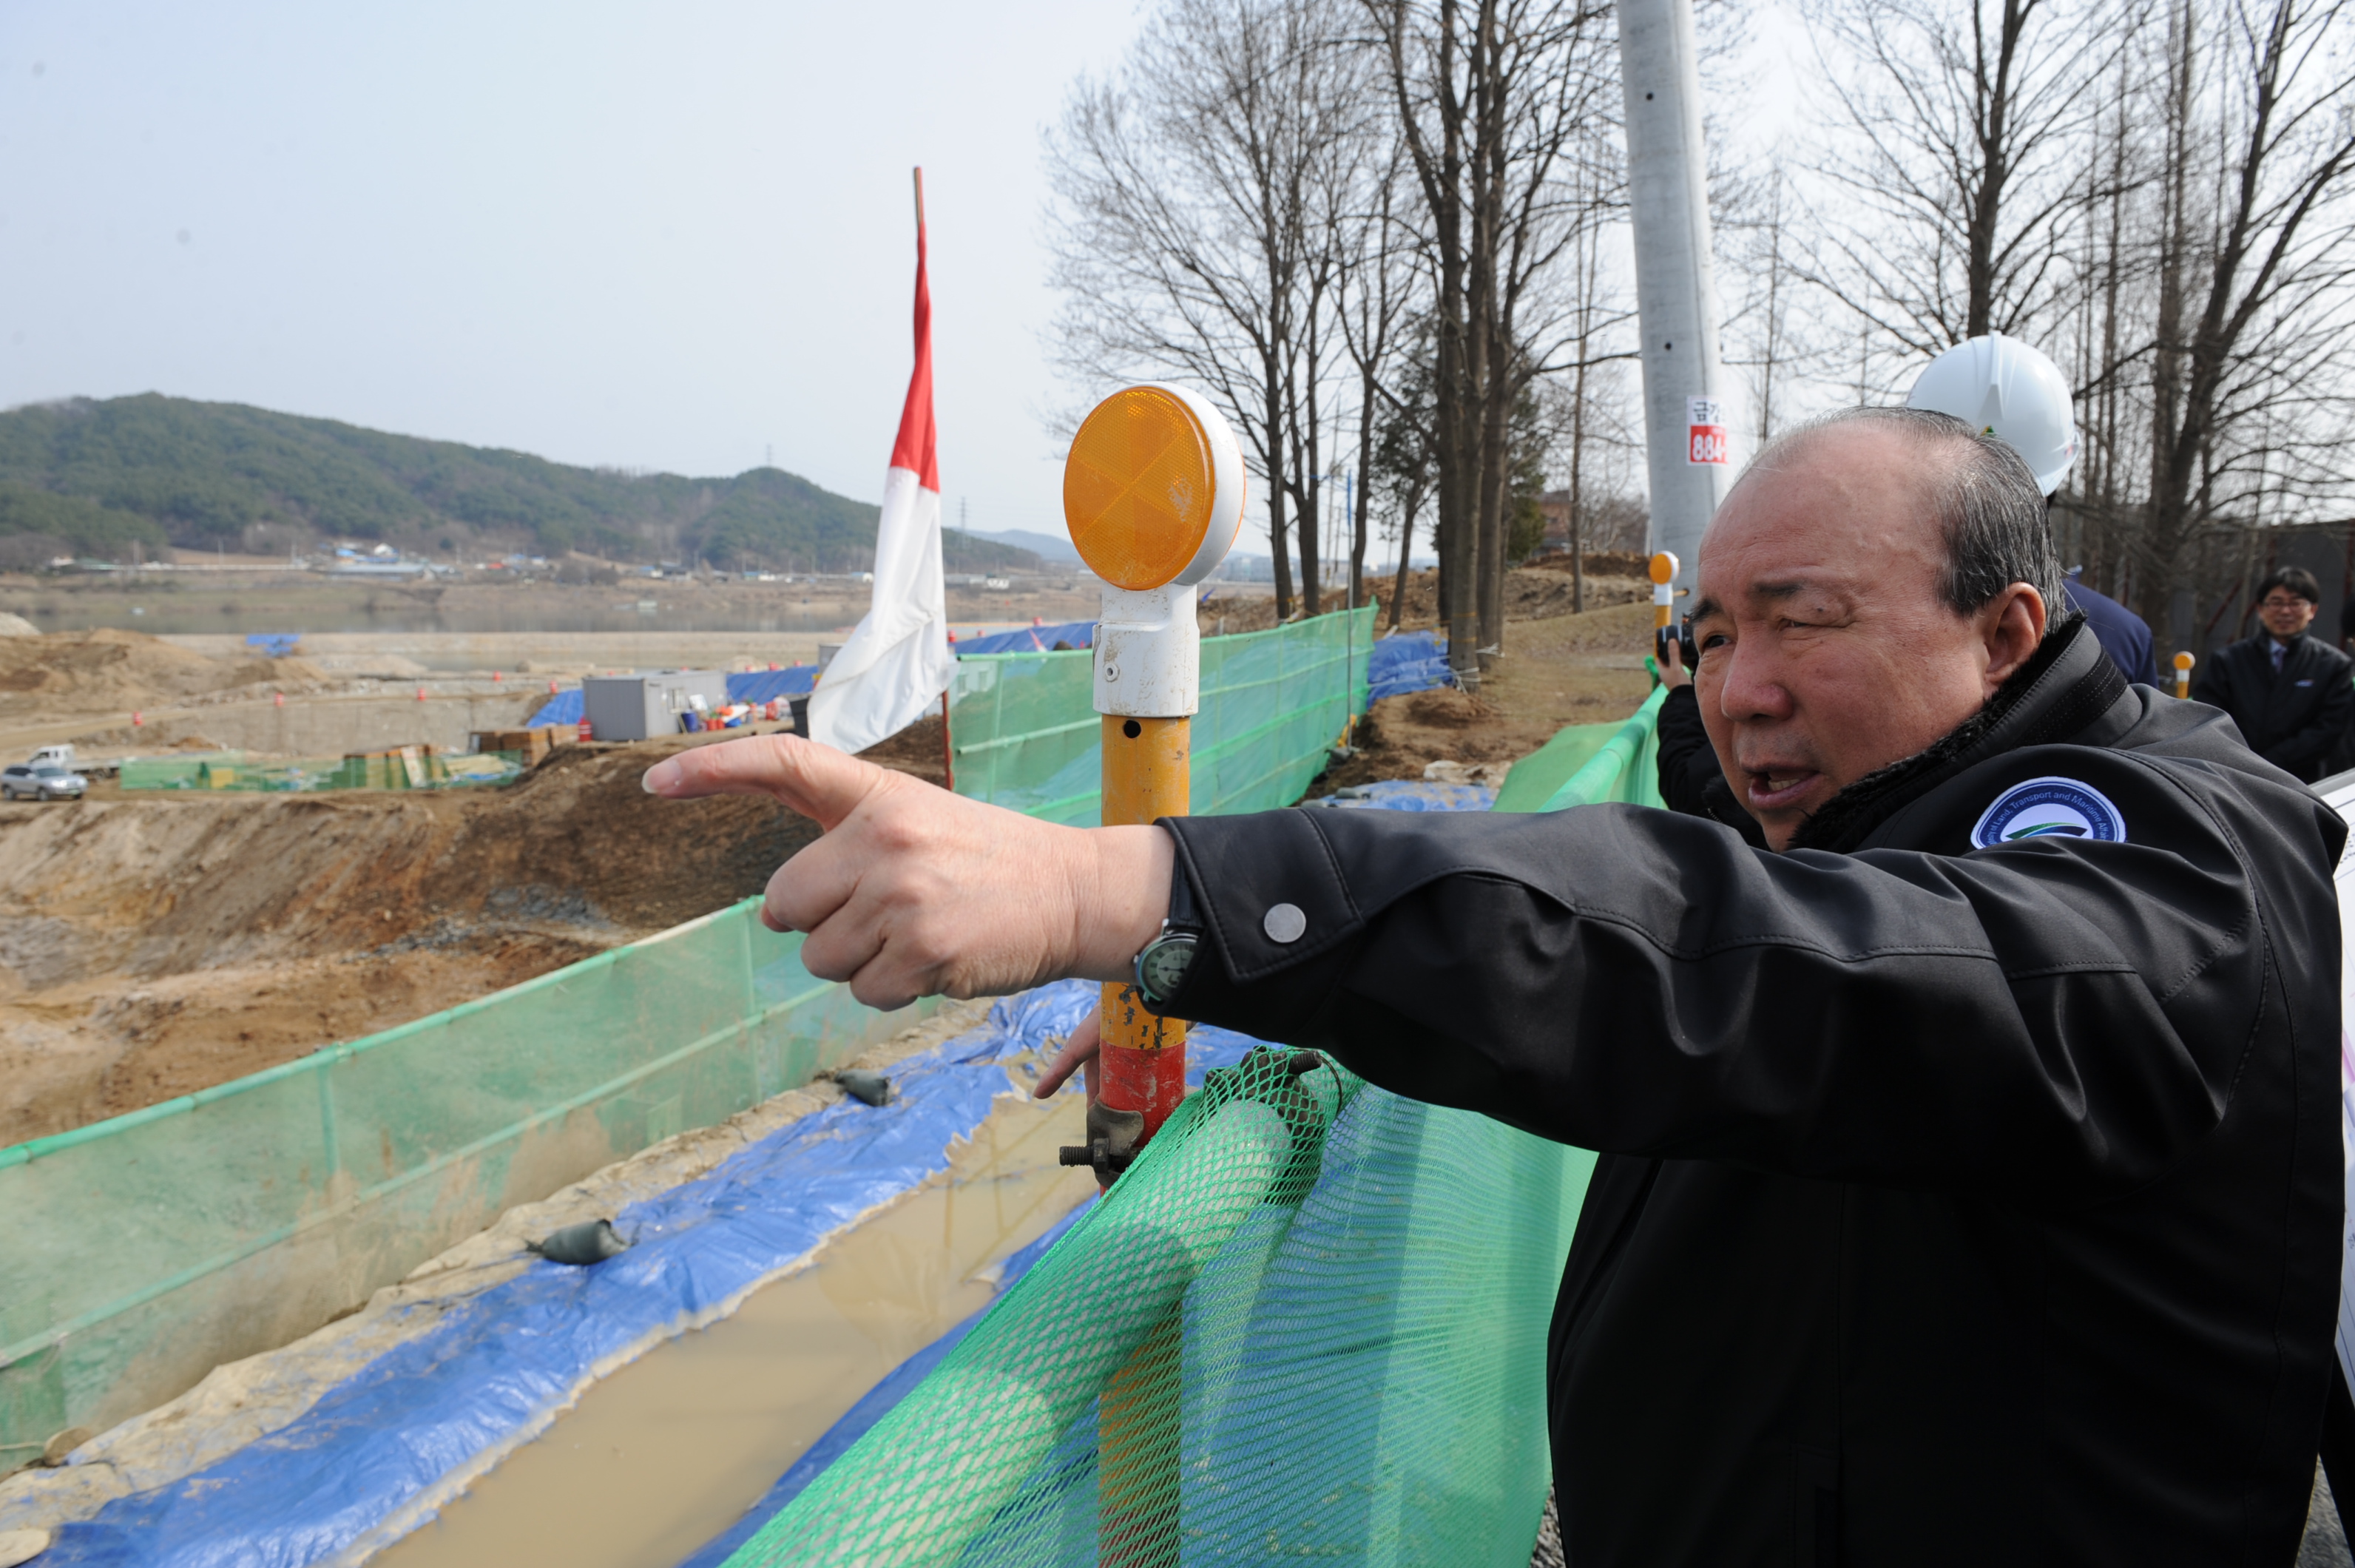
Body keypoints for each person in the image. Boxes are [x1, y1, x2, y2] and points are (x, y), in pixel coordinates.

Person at [643, 408, 2344, 1565]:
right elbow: (1647, 936)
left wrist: (1128, 883)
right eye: (1710, 633)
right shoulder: (1886, 812)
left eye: (1799, 621)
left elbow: (1739, 960)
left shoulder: (2155, 873)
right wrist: (1248, 970)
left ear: (2000, 629)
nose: (1736, 691)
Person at [2191, 565, 2354, 784]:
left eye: (2295, 603)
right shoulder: (2228, 661)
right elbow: (2206, 716)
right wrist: (2242, 762)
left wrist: (2270, 763)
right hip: (2231, 778)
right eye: (2276, 602)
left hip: (2302, 783)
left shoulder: (2334, 666)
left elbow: (2327, 731)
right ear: (2260, 608)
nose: (2285, 611)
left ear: (2312, 610)